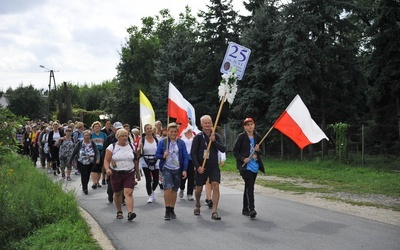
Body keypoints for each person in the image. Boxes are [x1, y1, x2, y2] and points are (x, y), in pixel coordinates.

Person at [191, 115, 226, 220]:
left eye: (209, 123)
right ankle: (197, 204)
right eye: (205, 123)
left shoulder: (216, 136)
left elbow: (223, 149)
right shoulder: (198, 137)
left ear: (212, 124)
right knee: (199, 188)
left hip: (213, 166)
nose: (207, 125)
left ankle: (214, 211)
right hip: (202, 166)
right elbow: (193, 153)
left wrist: (214, 141)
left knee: (215, 185)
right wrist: (197, 166)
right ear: (201, 124)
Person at [103, 129, 140, 221]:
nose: (125, 138)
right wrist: (107, 169)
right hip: (116, 173)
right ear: (118, 137)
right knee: (118, 193)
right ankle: (119, 211)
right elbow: (106, 160)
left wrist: (138, 172)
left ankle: (130, 213)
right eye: (123, 136)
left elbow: (135, 160)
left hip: (129, 172)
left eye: (126, 135)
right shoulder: (112, 147)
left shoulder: (131, 146)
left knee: (128, 193)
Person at [233, 118, 265, 219]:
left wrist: (258, 149)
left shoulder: (257, 136)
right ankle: (252, 209)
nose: (250, 126)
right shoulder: (241, 137)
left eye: (251, 124)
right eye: (247, 125)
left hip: (255, 165)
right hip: (245, 166)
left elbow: (261, 151)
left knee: (248, 187)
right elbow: (235, 152)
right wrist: (243, 159)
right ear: (244, 127)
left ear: (254, 125)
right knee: (250, 186)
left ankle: (245, 209)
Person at [156, 122, 189, 220]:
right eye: (171, 132)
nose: (173, 133)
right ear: (168, 132)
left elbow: (185, 156)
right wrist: (163, 155)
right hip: (166, 168)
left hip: (177, 168)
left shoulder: (181, 143)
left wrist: (184, 169)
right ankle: (167, 209)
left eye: (175, 131)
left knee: (174, 189)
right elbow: (157, 155)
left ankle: (172, 209)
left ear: (177, 132)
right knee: (168, 188)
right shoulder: (163, 142)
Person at [69, 130, 100, 195]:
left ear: (90, 136)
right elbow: (74, 152)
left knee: (88, 174)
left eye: (88, 135)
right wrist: (70, 160)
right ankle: (85, 187)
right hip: (81, 161)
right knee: (84, 174)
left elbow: (96, 152)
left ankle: (85, 185)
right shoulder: (80, 143)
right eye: (85, 135)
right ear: (83, 136)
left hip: (90, 162)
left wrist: (97, 159)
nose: (86, 137)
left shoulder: (92, 143)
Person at [137, 124, 159, 203]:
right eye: (147, 129)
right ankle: (149, 195)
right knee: (148, 179)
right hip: (145, 160)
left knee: (156, 179)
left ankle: (153, 190)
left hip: (155, 160)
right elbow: (138, 153)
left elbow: (159, 150)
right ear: (145, 131)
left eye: (150, 128)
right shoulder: (142, 140)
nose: (149, 130)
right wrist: (140, 147)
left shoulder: (156, 139)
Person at [179, 124, 195, 201]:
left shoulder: (194, 135)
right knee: (183, 175)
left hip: (192, 158)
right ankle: (182, 188)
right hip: (183, 158)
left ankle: (190, 193)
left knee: (191, 176)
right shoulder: (181, 135)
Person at [90, 121, 107, 189]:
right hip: (93, 152)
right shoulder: (91, 135)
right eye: (95, 127)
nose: (97, 128)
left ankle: (97, 181)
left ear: (100, 128)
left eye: (98, 127)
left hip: (101, 152)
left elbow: (106, 143)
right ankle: (94, 182)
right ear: (93, 128)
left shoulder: (103, 135)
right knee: (93, 167)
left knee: (99, 168)